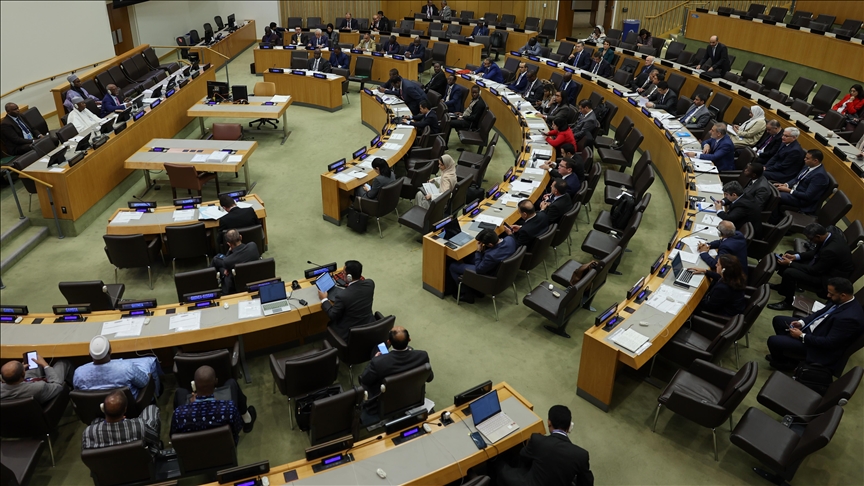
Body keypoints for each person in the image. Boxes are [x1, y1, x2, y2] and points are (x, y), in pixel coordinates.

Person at [766, 277, 864, 372]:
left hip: (817, 347)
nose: (828, 296)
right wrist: (802, 322)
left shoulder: (849, 319)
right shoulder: (840, 300)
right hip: (815, 329)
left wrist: (801, 336)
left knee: (773, 341)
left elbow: (829, 343)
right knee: (778, 321)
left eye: (831, 294)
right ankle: (788, 355)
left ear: (843, 295)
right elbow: (820, 313)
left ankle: (784, 363)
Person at [496, 405, 594, 486]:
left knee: (498, 464)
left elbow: (522, 456)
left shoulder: (538, 440)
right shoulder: (581, 455)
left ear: (549, 423)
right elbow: (587, 483)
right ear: (569, 427)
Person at [768, 223, 854, 311]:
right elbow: (815, 252)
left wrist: (790, 263)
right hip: (823, 266)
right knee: (790, 253)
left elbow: (815, 271)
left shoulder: (831, 250)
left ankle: (788, 303)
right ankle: (784, 287)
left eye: (811, 239)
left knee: (789, 272)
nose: (810, 241)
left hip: (828, 278)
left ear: (818, 236)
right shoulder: (829, 236)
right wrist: (795, 257)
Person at [171, 365, 257, 444]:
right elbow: (237, 428)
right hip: (225, 448)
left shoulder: (179, 413)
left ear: (194, 385)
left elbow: (173, 435)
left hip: (193, 451)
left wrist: (190, 407)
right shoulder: (229, 408)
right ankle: (247, 421)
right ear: (216, 381)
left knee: (180, 392)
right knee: (232, 383)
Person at [73, 336, 158, 399]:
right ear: (110, 350)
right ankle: (157, 395)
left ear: (89, 354)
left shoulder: (79, 373)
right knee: (150, 362)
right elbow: (144, 382)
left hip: (94, 411)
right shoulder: (126, 368)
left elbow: (79, 393)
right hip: (129, 407)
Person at [360, 326, 433, 399]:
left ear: (389, 342)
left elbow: (365, 379)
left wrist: (374, 360)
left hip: (387, 399)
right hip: (412, 396)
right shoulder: (422, 356)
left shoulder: (378, 362)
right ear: (409, 339)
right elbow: (429, 378)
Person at [448, 229, 519, 298]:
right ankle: (473, 287)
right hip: (502, 270)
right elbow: (511, 237)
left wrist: (478, 251)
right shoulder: (510, 239)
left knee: (452, 266)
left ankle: (465, 294)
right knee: (468, 257)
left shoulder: (491, 256)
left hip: (489, 274)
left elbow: (479, 269)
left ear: (490, 244)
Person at [82, 390, 161, 451]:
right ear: (125, 409)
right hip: (140, 463)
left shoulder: (88, 432)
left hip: (107, 466)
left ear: (103, 409)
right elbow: (154, 439)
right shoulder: (139, 426)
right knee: (151, 409)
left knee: (96, 420)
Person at [319, 260, 375, 341]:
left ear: (349, 277)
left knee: (331, 324)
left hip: (349, 332)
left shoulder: (343, 296)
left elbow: (332, 315)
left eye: (343, 272)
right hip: (369, 324)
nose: (342, 274)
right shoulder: (370, 284)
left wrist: (324, 299)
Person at [771, 149, 829, 221]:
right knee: (772, 189)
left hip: (801, 200)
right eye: (805, 157)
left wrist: (789, 191)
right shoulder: (808, 166)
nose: (804, 159)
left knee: (776, 196)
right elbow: (797, 179)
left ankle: (773, 220)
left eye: (807, 158)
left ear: (815, 161)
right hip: (795, 192)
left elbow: (807, 196)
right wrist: (786, 185)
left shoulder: (820, 176)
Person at [1, 355, 72, 403]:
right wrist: (45, 365)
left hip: (22, 407)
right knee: (63, 363)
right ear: (23, 374)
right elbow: (57, 386)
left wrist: (20, 371)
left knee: (33, 365)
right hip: (45, 403)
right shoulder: (39, 387)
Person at [212, 229, 260, 294]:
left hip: (238, 283)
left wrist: (229, 251)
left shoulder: (228, 261)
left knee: (216, 260)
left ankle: (210, 284)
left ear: (229, 244)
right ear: (241, 237)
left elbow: (227, 259)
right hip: (254, 278)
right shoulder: (253, 245)